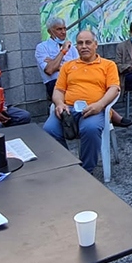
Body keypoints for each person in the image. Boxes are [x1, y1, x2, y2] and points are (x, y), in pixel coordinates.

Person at [43, 31, 121, 174]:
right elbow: (58, 90)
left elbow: (114, 89)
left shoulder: (108, 65)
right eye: (80, 43)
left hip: (94, 108)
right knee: (49, 129)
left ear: (95, 45)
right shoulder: (67, 66)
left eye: (88, 42)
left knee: (90, 129)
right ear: (76, 47)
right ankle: (67, 165)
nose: (84, 46)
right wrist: (59, 103)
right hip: (68, 109)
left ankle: (86, 171)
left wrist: (100, 105)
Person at [35, 17, 78, 96]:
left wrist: (57, 66)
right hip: (55, 83)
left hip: (73, 81)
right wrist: (63, 51)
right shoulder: (42, 47)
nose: (63, 32)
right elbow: (49, 70)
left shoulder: (71, 47)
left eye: (64, 29)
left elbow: (79, 69)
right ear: (50, 32)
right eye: (59, 29)